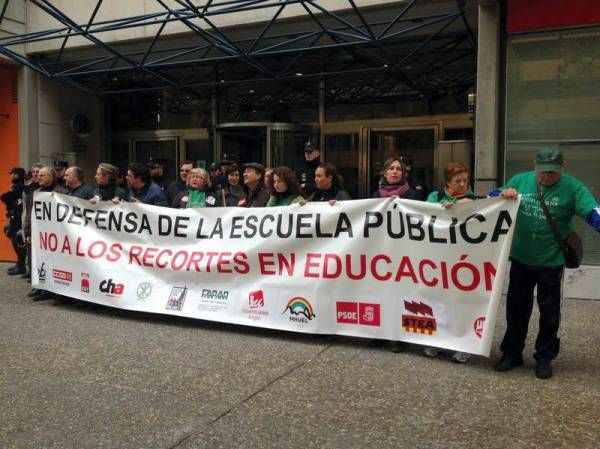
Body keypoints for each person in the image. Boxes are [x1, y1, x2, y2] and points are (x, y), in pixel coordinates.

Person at [492, 147, 600, 379]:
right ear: (535, 166)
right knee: (516, 310)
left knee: (550, 314)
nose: (546, 177)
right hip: (521, 258)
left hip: (551, 262)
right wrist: (502, 194)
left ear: (563, 167)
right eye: (542, 172)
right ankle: (511, 353)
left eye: (552, 172)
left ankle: (544, 357)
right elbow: (491, 200)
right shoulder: (520, 180)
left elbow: (592, 211)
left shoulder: (574, 188)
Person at [422, 162, 476, 363]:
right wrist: (440, 209)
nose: (463, 184)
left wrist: (466, 206)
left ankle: (463, 344)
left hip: (463, 260)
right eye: (458, 181)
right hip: (438, 259)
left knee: (460, 302)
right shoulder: (435, 197)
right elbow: (425, 213)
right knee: (438, 301)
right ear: (447, 182)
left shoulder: (474, 199)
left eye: (465, 180)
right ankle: (437, 341)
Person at [24, 166, 65, 301]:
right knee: (37, 261)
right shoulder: (35, 193)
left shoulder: (60, 193)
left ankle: (51, 289)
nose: (38, 177)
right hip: (38, 235)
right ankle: (40, 287)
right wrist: (28, 232)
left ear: (51, 177)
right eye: (38, 175)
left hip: (53, 236)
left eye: (42, 175)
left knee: (52, 262)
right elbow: (30, 215)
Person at [1, 167, 26, 275]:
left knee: (18, 240)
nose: (11, 176)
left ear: (17, 175)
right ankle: (19, 263)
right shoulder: (17, 186)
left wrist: (12, 203)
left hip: (18, 218)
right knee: (11, 234)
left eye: (12, 174)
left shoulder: (20, 186)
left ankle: (21, 266)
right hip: (14, 216)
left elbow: (5, 197)